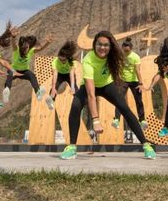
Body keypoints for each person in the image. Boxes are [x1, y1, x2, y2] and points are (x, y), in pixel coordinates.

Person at [60, 31, 156, 160]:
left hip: (107, 85)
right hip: (89, 86)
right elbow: (91, 94)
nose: (102, 48)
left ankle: (145, 145)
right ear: (94, 45)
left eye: (106, 45)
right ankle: (71, 147)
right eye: (99, 44)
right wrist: (96, 120)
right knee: (76, 106)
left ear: (110, 47)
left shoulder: (113, 56)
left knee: (125, 108)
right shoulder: (88, 60)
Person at [3, 29, 52, 103]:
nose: (26, 51)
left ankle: (38, 93)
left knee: (32, 75)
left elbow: (41, 48)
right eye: (24, 49)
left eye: (27, 49)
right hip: (14, 69)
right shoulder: (17, 50)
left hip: (24, 71)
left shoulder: (31, 51)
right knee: (10, 73)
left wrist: (47, 43)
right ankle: (7, 90)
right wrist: (13, 37)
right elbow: (13, 44)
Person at [111, 38, 148, 130]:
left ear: (131, 48)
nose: (125, 52)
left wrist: (140, 83)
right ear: (122, 48)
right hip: (123, 80)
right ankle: (116, 120)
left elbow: (137, 71)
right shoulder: (120, 55)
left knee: (138, 100)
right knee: (119, 99)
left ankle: (142, 120)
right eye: (124, 50)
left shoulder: (135, 57)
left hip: (134, 81)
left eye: (127, 50)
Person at [44, 41, 78, 110]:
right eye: (60, 59)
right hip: (59, 74)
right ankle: (51, 100)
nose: (61, 61)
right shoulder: (55, 62)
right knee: (54, 87)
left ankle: (79, 102)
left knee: (75, 89)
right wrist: (53, 88)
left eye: (64, 60)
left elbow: (71, 76)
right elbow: (55, 75)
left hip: (69, 75)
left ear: (67, 58)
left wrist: (72, 87)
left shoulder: (71, 62)